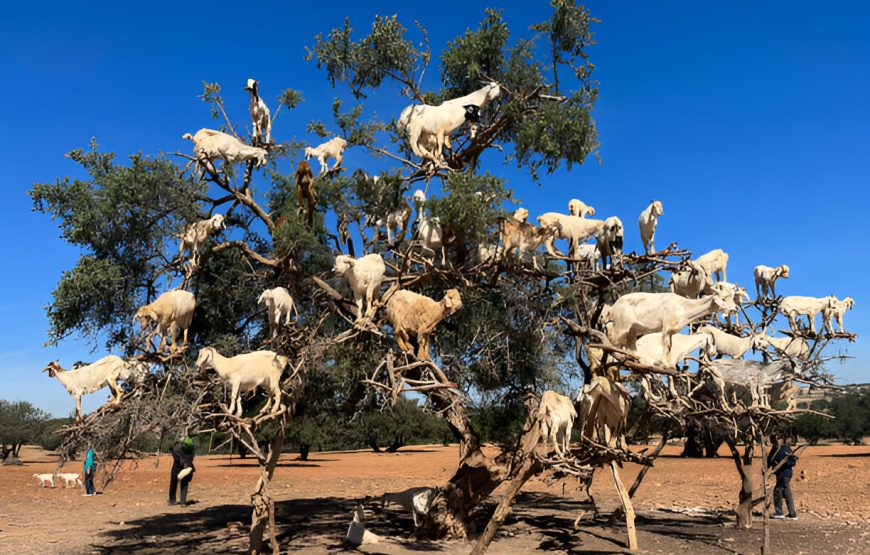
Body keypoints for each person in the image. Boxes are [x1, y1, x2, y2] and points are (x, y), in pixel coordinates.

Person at [767, 435, 798, 520]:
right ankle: (792, 514)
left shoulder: (783, 448)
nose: (773, 441)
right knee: (785, 492)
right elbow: (769, 461)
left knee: (778, 490)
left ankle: (780, 512)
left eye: (775, 439)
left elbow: (792, 461)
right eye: (772, 440)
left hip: (784, 474)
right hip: (782, 474)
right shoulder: (775, 449)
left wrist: (784, 463)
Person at [169, 437, 196, 506]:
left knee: (175, 483)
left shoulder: (180, 449)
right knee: (182, 484)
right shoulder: (190, 450)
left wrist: (185, 463)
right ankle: (181, 502)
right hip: (182, 467)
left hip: (180, 468)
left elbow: (171, 450)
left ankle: (174, 501)